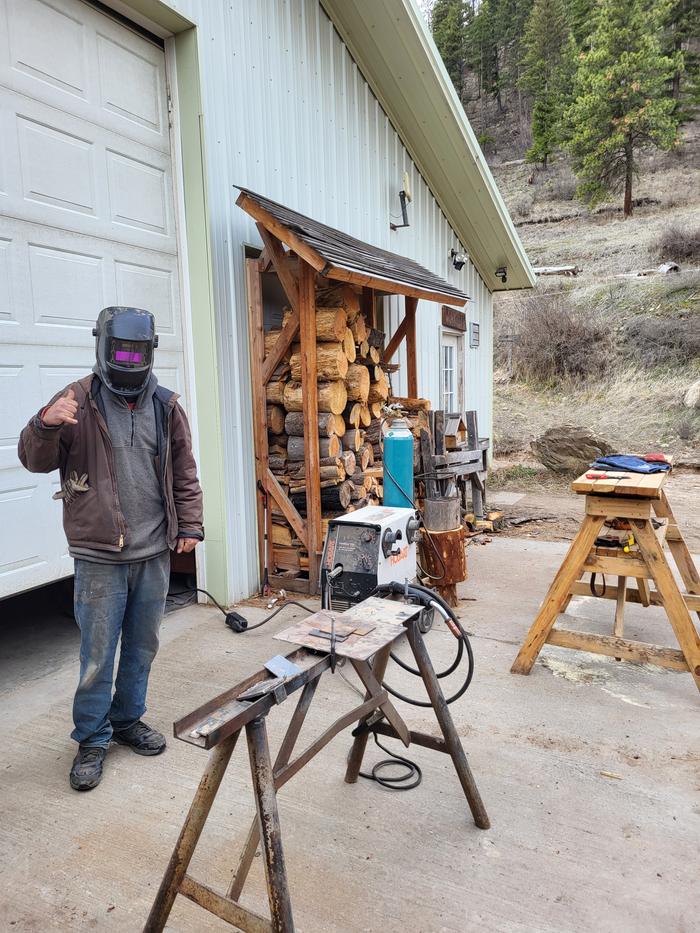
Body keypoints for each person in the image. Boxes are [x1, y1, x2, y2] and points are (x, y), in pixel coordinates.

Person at [18, 307, 204, 792]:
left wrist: (191, 526)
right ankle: (92, 738)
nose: (127, 361)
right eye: (119, 351)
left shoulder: (166, 405)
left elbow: (184, 472)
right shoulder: (74, 401)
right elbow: (34, 461)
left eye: (135, 353)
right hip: (99, 555)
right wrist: (44, 424)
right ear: (101, 346)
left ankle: (126, 720)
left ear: (149, 352)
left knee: (142, 647)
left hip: (153, 553)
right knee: (98, 653)